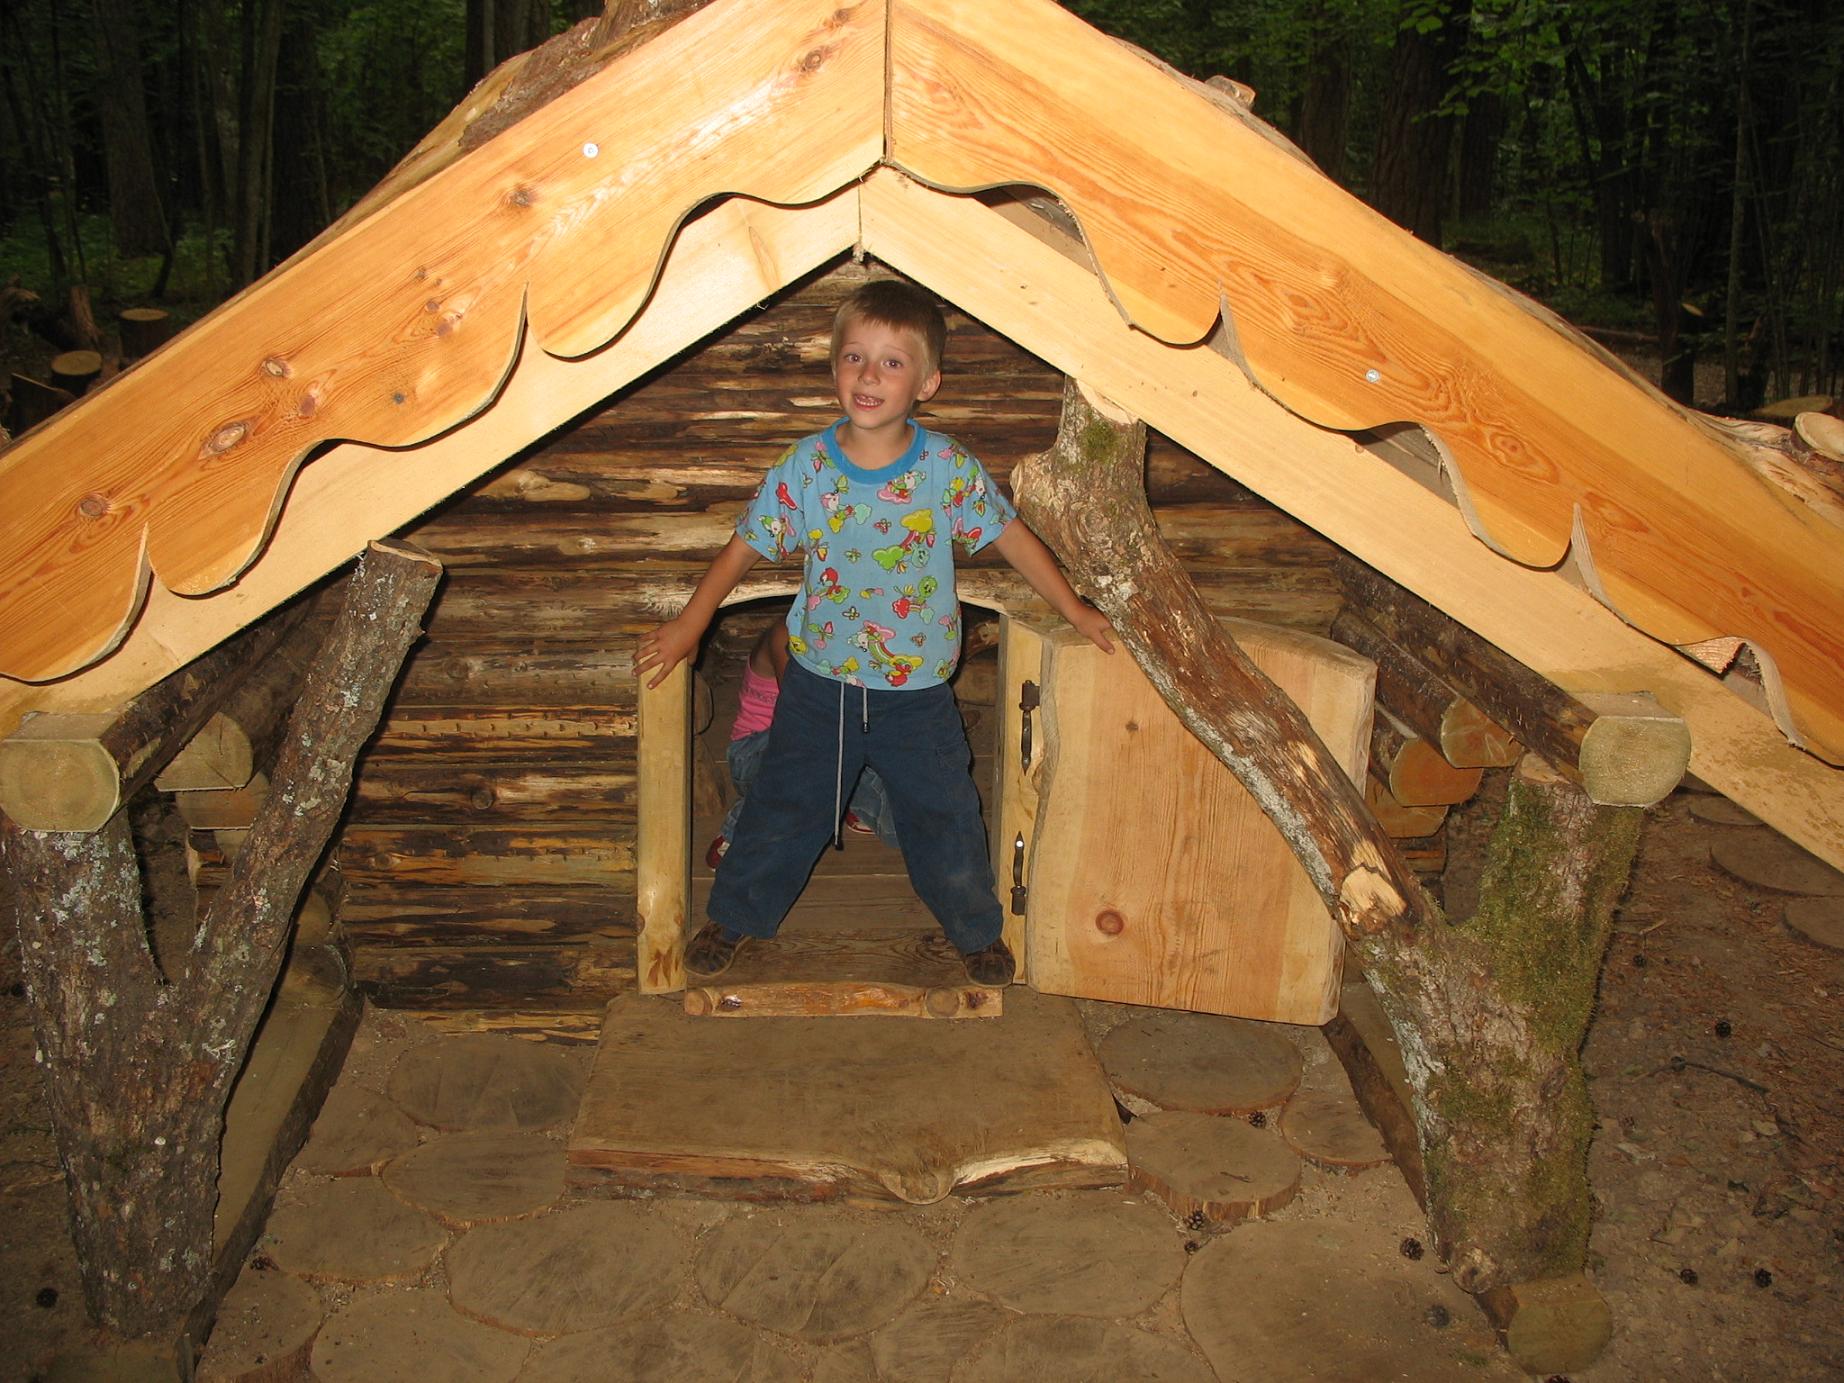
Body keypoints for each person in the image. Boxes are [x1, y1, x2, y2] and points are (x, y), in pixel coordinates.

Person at [636, 278, 1113, 986]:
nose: (869, 376)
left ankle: (976, 931)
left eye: (892, 362)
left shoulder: (945, 468)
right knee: (783, 807)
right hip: (817, 685)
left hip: (917, 693)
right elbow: (743, 547)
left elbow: (1010, 535)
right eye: (855, 357)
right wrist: (690, 622)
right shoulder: (806, 467)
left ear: (927, 382)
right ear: (835, 369)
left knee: (944, 813)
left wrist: (1074, 608)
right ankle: (734, 915)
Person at [709, 621, 899, 869]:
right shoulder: (786, 634)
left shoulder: (861, 635)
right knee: (822, 745)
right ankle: (742, 827)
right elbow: (804, 716)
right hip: (760, 751)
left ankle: (854, 800)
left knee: (908, 820)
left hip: (833, 744)